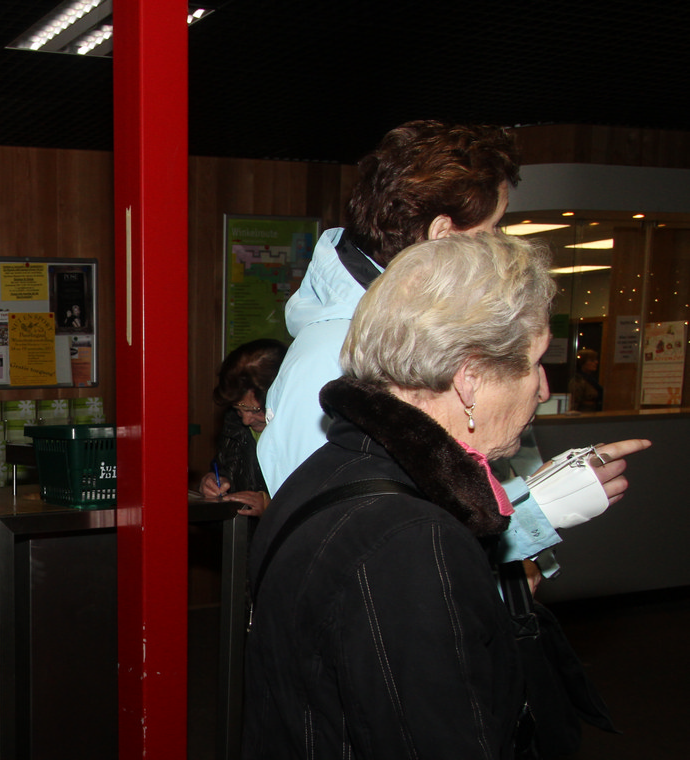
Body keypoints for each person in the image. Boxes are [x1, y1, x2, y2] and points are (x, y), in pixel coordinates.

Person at [220, 234, 636, 760]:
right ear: (470, 376)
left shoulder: (328, 473)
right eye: (534, 362)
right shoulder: (411, 541)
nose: (544, 386)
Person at [256, 120, 646, 569]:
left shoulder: (414, 335)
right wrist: (531, 518)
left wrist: (532, 512)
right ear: (442, 234)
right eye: (494, 227)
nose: (501, 244)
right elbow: (345, 548)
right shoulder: (337, 354)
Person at [197, 338, 286, 516]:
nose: (246, 420)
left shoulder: (301, 432)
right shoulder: (234, 423)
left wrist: (272, 507)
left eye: (255, 410)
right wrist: (212, 481)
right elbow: (225, 468)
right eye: (238, 409)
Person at [569, 347, 603, 412]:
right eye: (592, 360)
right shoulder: (578, 380)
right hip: (584, 413)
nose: (596, 362)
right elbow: (574, 402)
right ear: (582, 363)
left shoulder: (593, 379)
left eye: (596, 360)